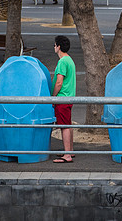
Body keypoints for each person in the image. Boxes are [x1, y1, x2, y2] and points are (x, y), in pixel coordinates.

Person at [52, 35, 76, 163]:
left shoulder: (62, 62)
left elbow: (59, 83)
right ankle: (70, 151)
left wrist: (53, 97)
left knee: (64, 126)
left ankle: (67, 155)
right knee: (68, 124)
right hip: (70, 97)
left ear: (59, 46)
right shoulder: (69, 60)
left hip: (62, 98)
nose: (54, 47)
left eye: (55, 45)